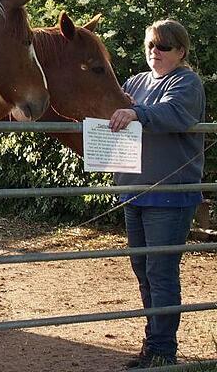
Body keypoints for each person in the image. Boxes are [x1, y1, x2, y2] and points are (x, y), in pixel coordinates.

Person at [109, 19, 205, 368]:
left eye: (164, 46)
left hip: (170, 194)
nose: (156, 52)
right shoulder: (135, 81)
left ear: (181, 51)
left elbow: (173, 113)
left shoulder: (186, 82)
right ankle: (154, 344)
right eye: (151, 45)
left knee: (161, 271)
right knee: (143, 270)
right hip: (134, 191)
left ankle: (163, 350)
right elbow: (109, 107)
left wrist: (135, 112)